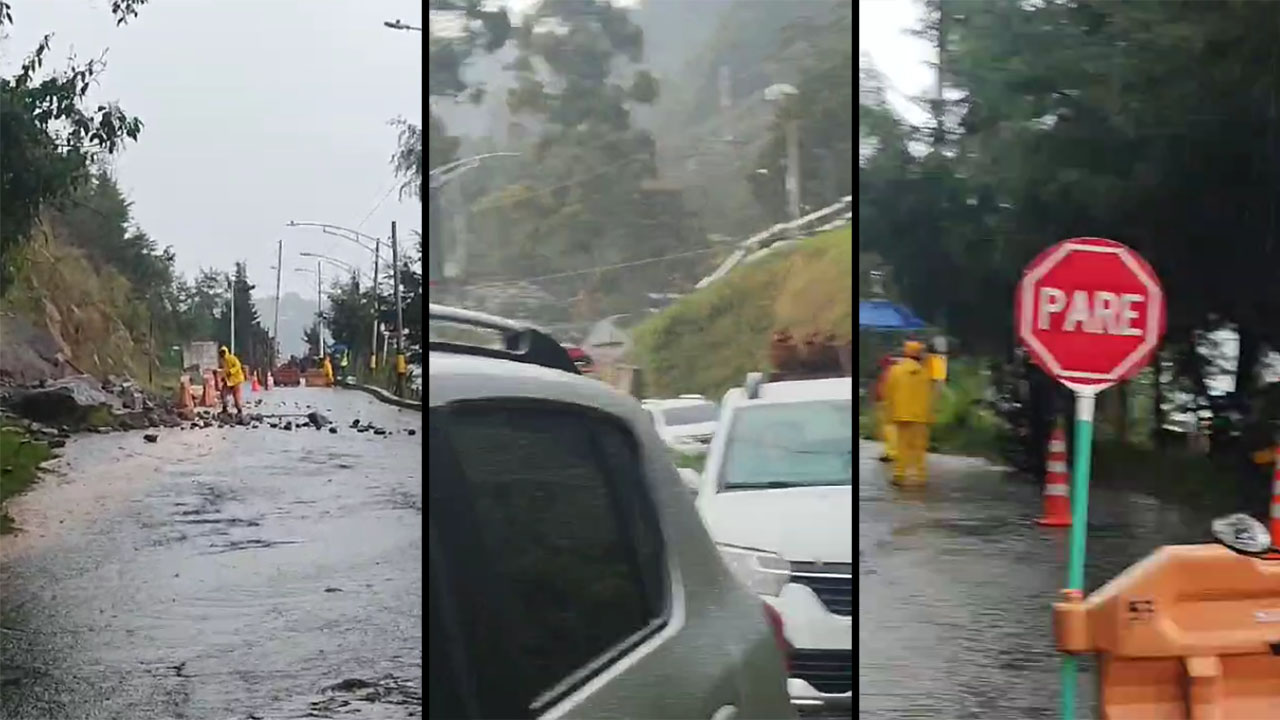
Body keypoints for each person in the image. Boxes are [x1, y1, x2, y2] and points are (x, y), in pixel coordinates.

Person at [884, 339, 934, 486]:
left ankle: (899, 475)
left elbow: (889, 393)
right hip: (920, 416)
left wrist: (889, 413)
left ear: (905, 353)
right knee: (919, 448)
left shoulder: (895, 370)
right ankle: (920, 476)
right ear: (919, 355)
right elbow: (929, 395)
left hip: (901, 414)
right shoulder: (925, 372)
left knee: (902, 446)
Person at [873, 352, 898, 463]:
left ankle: (891, 453)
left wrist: (880, 400)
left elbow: (883, 390)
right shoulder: (894, 372)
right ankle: (890, 451)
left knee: (889, 429)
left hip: (886, 403)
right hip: (888, 403)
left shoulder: (888, 373)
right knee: (889, 429)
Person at [217, 345, 246, 417]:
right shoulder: (223, 361)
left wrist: (231, 372)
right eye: (220, 353)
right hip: (229, 381)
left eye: (222, 353)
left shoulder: (232, 358)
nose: (222, 354)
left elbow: (238, 365)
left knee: (236, 396)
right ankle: (225, 408)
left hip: (236, 380)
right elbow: (225, 370)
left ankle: (239, 411)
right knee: (223, 393)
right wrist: (224, 377)